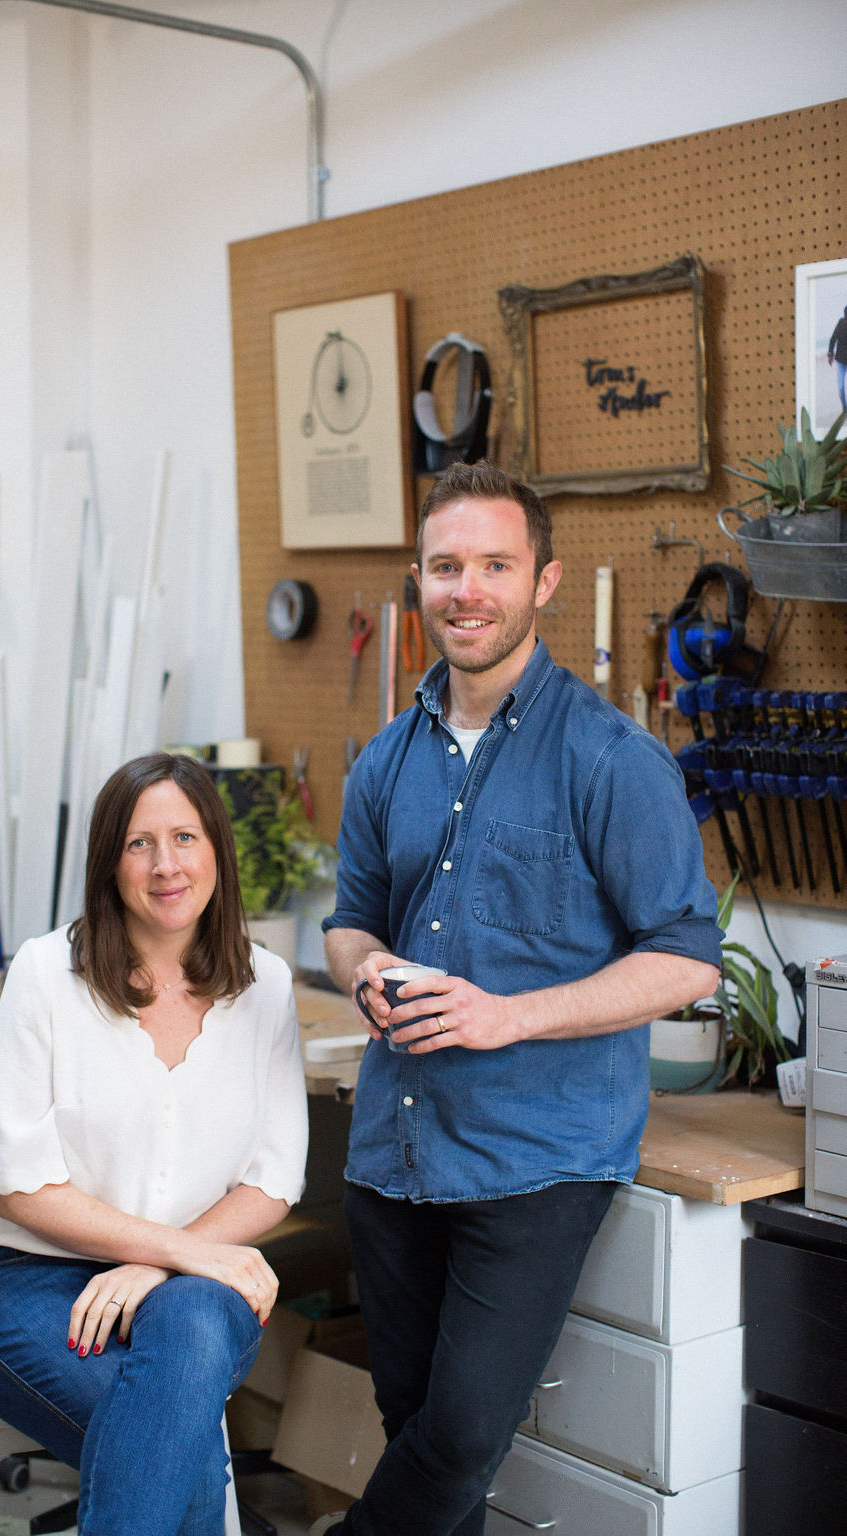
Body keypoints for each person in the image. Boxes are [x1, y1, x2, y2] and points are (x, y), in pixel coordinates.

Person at [318, 460, 722, 1536]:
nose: (469, 590)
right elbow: (348, 920)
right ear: (417, 581)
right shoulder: (384, 762)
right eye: (447, 566)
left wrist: (509, 1015)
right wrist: (361, 966)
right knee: (414, 1431)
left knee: (455, 1439)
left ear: (542, 581)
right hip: (395, 1151)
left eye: (494, 565)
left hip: (534, 1157)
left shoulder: (611, 759)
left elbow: (688, 958)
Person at [0, 752, 309, 1536]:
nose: (165, 864)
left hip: (193, 1286)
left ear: (217, 847)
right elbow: (17, 1184)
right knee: (178, 1457)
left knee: (186, 1331)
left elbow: (273, 1181)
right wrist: (176, 1252)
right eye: (139, 843)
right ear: (109, 863)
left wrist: (160, 1261)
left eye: (184, 836)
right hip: (34, 1287)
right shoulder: (47, 974)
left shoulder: (268, 987)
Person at [828, 304, 847, 414]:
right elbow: (833, 339)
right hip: (840, 361)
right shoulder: (840, 324)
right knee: (840, 388)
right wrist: (830, 354)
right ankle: (844, 407)